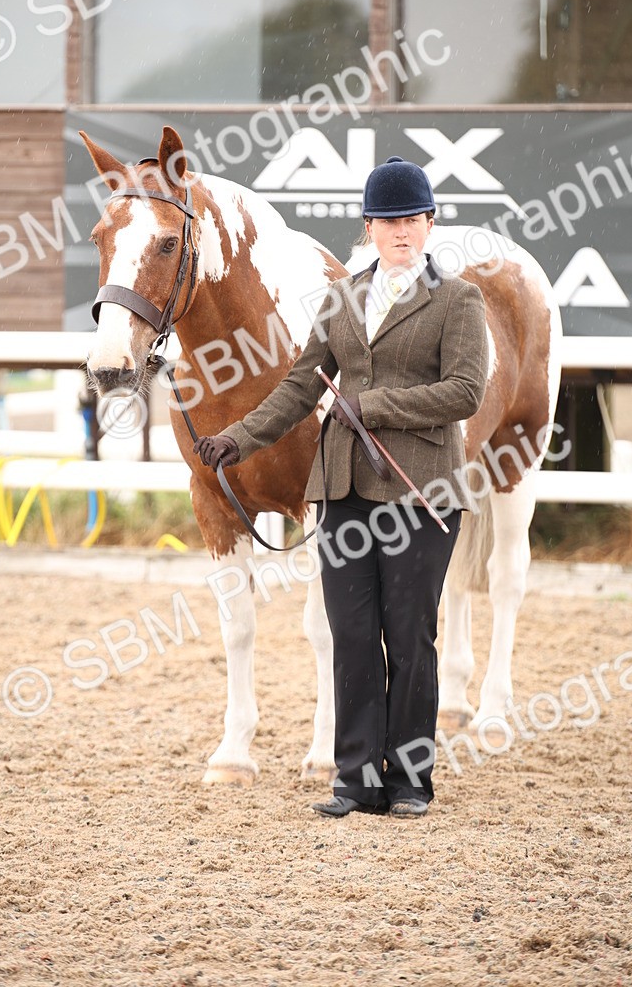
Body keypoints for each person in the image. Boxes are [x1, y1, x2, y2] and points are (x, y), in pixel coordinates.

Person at [194, 156, 489, 818]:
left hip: (421, 491)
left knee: (408, 636)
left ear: (430, 222)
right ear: (371, 228)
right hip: (345, 488)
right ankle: (355, 778)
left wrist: (376, 406)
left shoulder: (457, 301)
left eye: (412, 219)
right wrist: (236, 438)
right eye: (388, 221)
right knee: (352, 632)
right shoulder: (343, 297)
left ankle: (410, 778)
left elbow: (466, 391)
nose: (401, 232)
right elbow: (302, 385)